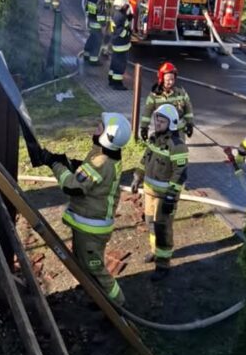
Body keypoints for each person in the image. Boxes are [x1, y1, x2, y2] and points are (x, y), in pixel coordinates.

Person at [42, 113, 132, 306]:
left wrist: (55, 164)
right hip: (89, 224)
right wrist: (72, 163)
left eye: (99, 127)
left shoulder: (101, 161)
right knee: (83, 263)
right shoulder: (104, 154)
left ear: (107, 137)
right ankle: (97, 295)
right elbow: (88, 171)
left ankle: (118, 307)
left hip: (91, 228)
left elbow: (73, 186)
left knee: (96, 268)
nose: (95, 128)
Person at [131, 103, 189, 280]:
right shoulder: (154, 138)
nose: (157, 123)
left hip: (165, 196)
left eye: (161, 120)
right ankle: (155, 251)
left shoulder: (177, 146)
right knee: (150, 223)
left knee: (162, 228)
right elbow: (144, 160)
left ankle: (163, 264)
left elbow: (180, 173)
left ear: (171, 123)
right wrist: (137, 177)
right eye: (156, 119)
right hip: (149, 192)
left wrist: (171, 196)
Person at [139, 62, 194, 141]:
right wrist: (144, 128)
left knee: (179, 150)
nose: (171, 82)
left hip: (179, 130)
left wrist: (189, 124)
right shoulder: (154, 96)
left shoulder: (181, 93)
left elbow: (188, 108)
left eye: (172, 79)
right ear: (161, 79)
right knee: (164, 150)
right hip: (162, 131)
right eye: (168, 80)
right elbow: (147, 112)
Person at [108, 0, 133, 90]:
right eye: (126, 5)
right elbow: (120, 31)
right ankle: (117, 83)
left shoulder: (116, 13)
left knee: (114, 62)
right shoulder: (120, 16)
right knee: (120, 64)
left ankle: (111, 79)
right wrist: (128, 32)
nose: (127, 7)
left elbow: (123, 23)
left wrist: (129, 17)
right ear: (122, 5)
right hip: (121, 44)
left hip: (116, 43)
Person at [84, 0, 109, 66]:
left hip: (90, 21)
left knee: (91, 38)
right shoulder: (100, 0)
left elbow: (86, 8)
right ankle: (93, 59)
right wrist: (103, 25)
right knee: (97, 41)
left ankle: (86, 54)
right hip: (97, 24)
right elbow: (101, 14)